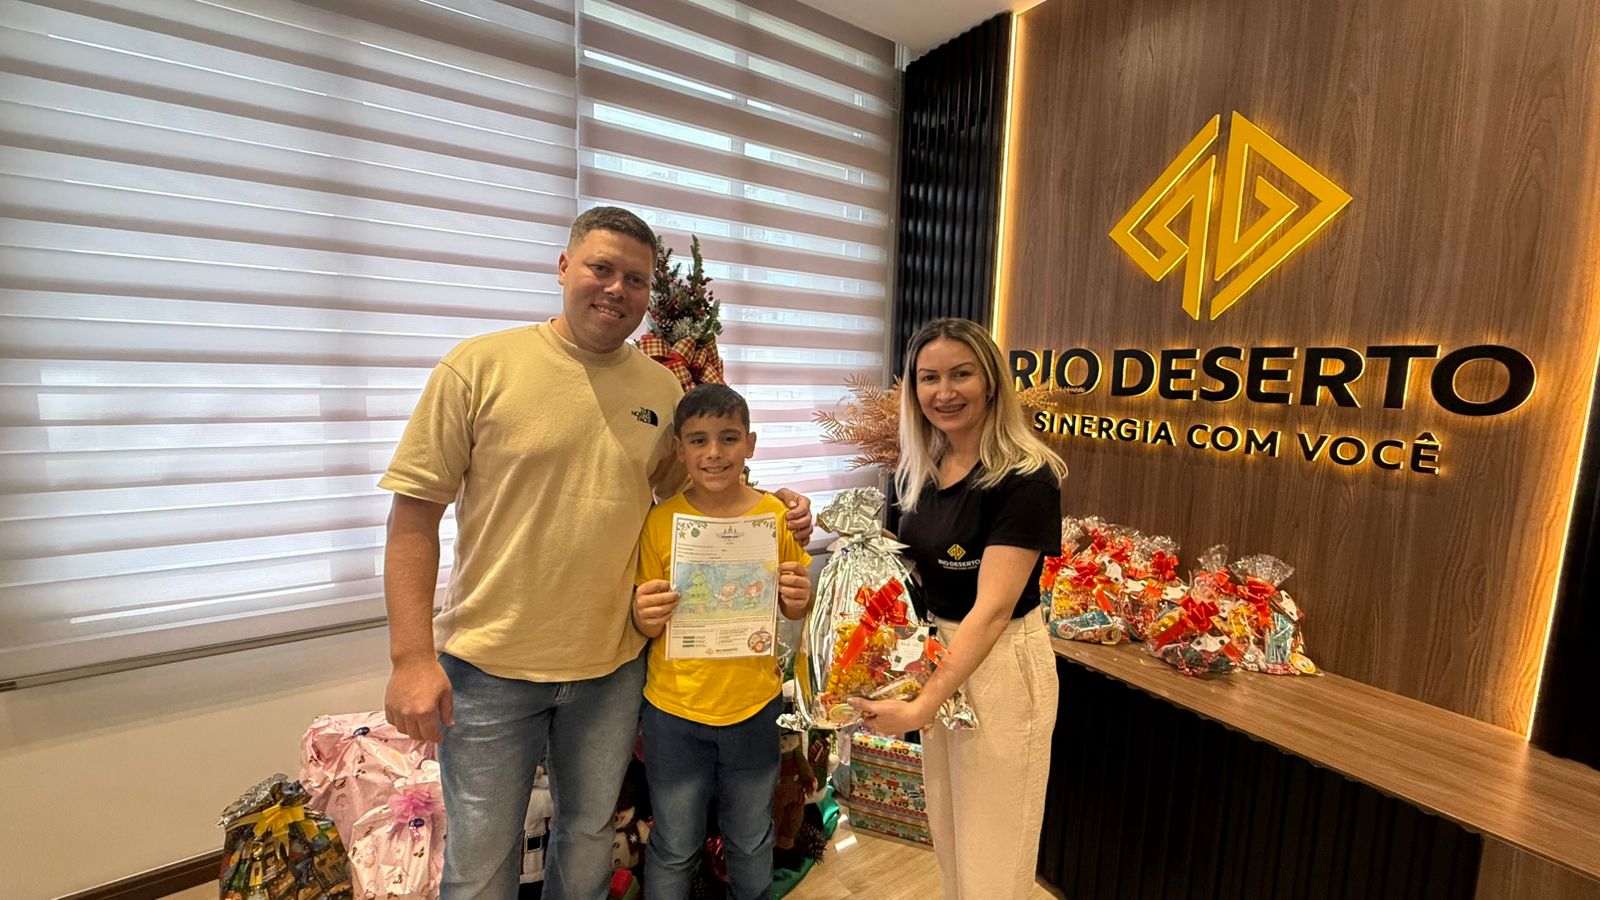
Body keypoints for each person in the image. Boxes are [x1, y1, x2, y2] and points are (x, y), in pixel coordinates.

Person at [377, 206, 813, 900]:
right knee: (481, 863)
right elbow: (413, 516)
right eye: (600, 269)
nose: (616, 289)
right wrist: (410, 658)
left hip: (611, 668)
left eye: (635, 279)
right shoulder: (479, 366)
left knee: (587, 845)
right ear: (563, 267)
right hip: (490, 666)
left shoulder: (660, 390)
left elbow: (694, 503)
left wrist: (772, 508)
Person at [850, 317, 1066, 900]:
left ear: (990, 381)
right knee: (950, 835)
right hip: (938, 655)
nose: (944, 392)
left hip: (999, 664)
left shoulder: (1026, 478)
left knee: (995, 849)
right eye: (929, 378)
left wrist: (924, 702)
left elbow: (992, 611)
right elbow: (913, 575)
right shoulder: (919, 469)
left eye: (960, 374)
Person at [631, 384, 814, 900]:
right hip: (674, 709)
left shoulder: (776, 518)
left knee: (751, 840)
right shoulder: (660, 521)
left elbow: (793, 606)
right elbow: (646, 619)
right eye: (699, 440)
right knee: (674, 844)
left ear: (750, 444)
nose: (714, 453)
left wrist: (800, 598)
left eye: (729, 438)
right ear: (679, 449)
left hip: (753, 706)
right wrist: (644, 616)